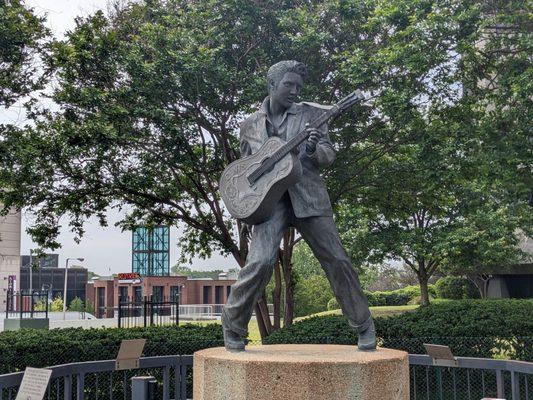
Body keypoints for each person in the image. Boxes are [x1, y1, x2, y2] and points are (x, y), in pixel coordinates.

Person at [222, 60, 376, 352]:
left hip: (309, 197)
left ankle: (364, 325)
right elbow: (245, 168)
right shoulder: (250, 125)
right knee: (259, 263)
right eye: (288, 85)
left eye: (298, 86)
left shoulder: (311, 115)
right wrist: (246, 209)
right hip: (270, 203)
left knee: (337, 260)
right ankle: (233, 325)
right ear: (271, 86)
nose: (295, 90)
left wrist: (313, 150)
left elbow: (328, 154)